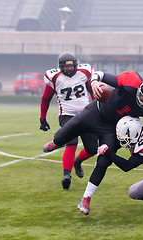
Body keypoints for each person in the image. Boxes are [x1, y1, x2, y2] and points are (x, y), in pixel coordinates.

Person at [42, 70, 143, 211]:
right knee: (60, 136)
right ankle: (57, 143)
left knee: (104, 161)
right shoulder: (130, 84)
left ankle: (86, 198)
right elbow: (100, 74)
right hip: (95, 112)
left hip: (112, 129)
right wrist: (94, 82)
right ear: (139, 88)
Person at [40, 52, 97, 190]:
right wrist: (42, 118)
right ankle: (67, 175)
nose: (69, 69)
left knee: (92, 149)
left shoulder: (84, 72)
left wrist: (97, 109)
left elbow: (92, 92)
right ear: (60, 67)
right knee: (71, 142)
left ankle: (77, 162)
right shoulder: (54, 77)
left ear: (76, 65)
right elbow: (46, 99)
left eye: (71, 66)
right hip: (67, 114)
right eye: (65, 67)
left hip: (86, 113)